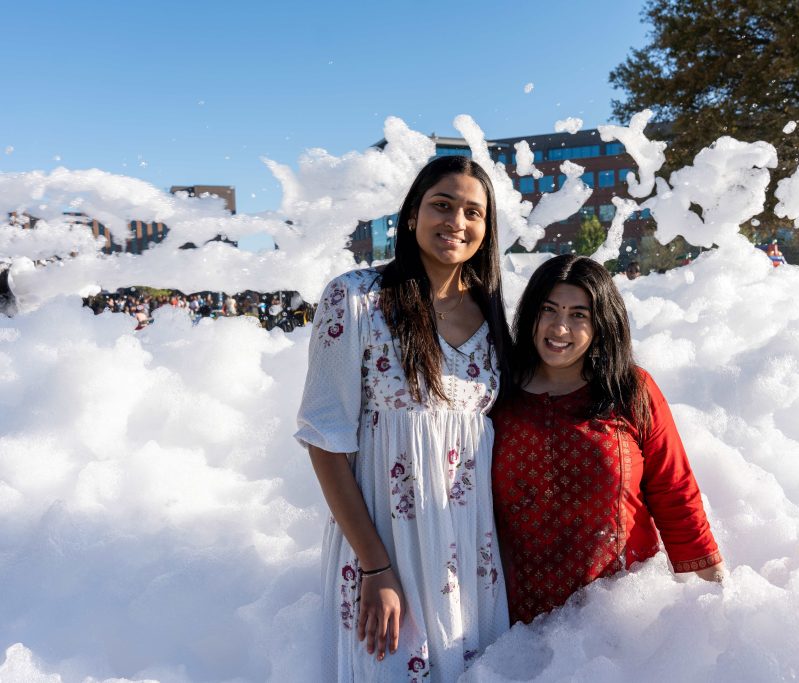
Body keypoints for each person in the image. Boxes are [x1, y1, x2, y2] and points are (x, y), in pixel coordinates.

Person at [295, 156, 512, 682]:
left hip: (470, 554)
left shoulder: (493, 313)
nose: (456, 222)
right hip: (384, 545)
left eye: (472, 212)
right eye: (442, 205)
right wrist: (375, 564)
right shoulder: (356, 298)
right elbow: (325, 439)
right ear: (412, 214)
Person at [490, 254, 724, 625]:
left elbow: (673, 490)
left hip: (617, 620)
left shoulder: (631, 390)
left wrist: (715, 599)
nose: (560, 327)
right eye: (548, 310)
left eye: (578, 315)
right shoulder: (495, 393)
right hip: (516, 626)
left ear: (601, 325)